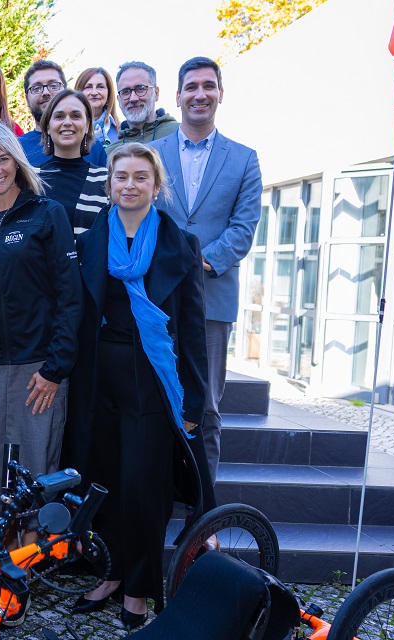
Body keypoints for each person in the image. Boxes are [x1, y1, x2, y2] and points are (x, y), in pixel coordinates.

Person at [64, 143, 208, 630]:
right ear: (109, 184)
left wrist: (194, 399)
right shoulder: (91, 241)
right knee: (103, 482)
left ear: (156, 184)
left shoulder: (180, 244)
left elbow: (190, 328)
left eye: (140, 177)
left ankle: (140, 590)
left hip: (154, 378)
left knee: (144, 487)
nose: (129, 185)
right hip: (100, 377)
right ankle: (109, 574)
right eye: (120, 176)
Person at [0, 123, 82, 599]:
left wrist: (55, 367)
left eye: (2, 159)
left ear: (17, 162)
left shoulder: (48, 215)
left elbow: (71, 297)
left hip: (38, 369)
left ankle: (34, 568)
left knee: (35, 468)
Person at [151, 56, 263, 484]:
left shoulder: (244, 159)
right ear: (177, 96)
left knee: (207, 408)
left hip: (212, 300)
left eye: (208, 86)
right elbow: (139, 217)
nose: (200, 94)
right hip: (155, 299)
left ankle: (203, 512)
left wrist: (195, 263)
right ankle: (157, 502)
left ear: (220, 94)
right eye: (191, 86)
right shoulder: (152, 155)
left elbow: (243, 228)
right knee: (156, 401)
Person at [37, 90, 110, 236]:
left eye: (76, 116)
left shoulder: (106, 180)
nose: (67, 122)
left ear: (87, 125)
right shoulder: (30, 179)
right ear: (47, 127)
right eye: (59, 116)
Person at [17, 60, 107, 168]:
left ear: (65, 90)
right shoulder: (17, 149)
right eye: (37, 88)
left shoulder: (94, 147)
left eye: (53, 85)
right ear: (27, 99)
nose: (46, 92)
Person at [107, 61, 179, 156]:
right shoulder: (110, 153)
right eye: (125, 91)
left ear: (156, 93)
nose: (133, 98)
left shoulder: (179, 135)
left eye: (140, 89)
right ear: (118, 99)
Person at [75, 67, 121, 147]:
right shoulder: (69, 127)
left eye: (100, 87)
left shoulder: (121, 131)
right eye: (88, 87)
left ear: (108, 93)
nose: (94, 92)